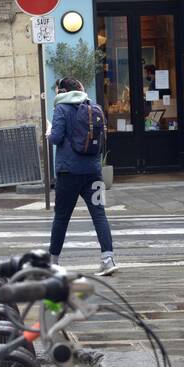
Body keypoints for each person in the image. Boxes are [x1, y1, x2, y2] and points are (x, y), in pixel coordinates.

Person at [48, 77, 118, 275]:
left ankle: (53, 262)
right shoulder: (92, 107)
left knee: (61, 217)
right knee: (99, 214)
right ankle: (108, 259)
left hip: (68, 173)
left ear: (62, 91)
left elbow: (56, 138)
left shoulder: (60, 109)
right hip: (93, 172)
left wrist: (49, 133)